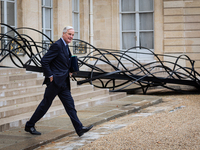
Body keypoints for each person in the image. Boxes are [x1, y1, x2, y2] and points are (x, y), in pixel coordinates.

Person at [25, 26, 93, 137]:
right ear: (63, 33)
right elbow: (45, 60)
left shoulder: (66, 46)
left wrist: (70, 70)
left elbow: (63, 62)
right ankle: (29, 125)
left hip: (64, 83)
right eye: (69, 34)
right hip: (55, 82)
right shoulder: (57, 45)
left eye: (72, 35)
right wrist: (50, 75)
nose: (71, 37)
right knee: (45, 105)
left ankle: (79, 129)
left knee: (70, 106)